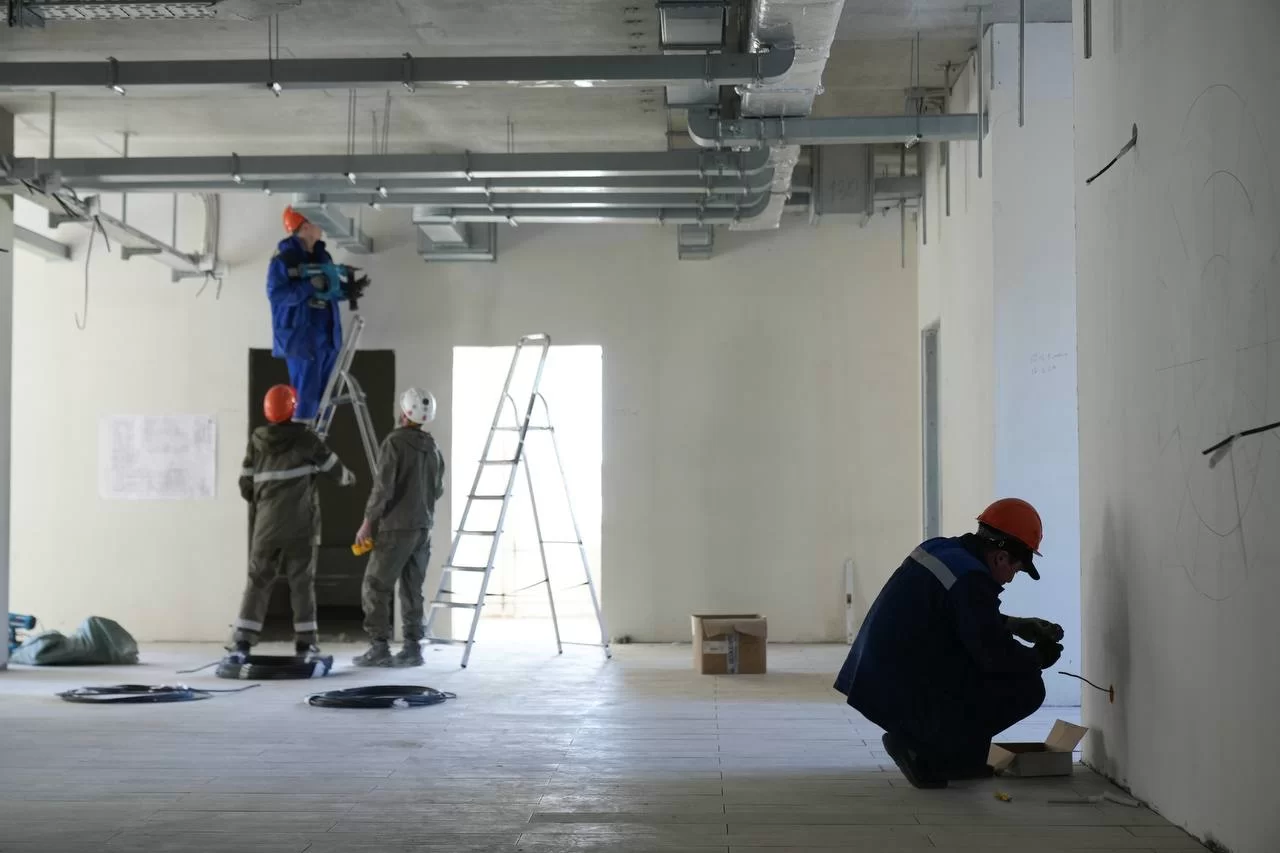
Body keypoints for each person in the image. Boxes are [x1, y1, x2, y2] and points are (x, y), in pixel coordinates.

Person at [833, 498, 1065, 789]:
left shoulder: (941, 549)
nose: (1010, 579)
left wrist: (1016, 624)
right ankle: (922, 748)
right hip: (903, 692)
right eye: (1016, 571)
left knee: (982, 668)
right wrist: (1038, 658)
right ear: (1001, 557)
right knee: (1026, 686)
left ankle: (954, 757)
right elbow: (993, 654)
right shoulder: (971, 579)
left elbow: (954, 615)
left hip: (878, 678)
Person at [227, 384, 356, 662]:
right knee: (301, 584)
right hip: (300, 527)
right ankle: (305, 644)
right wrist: (350, 478)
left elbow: (245, 485)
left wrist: (266, 506)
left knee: (258, 581)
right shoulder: (307, 439)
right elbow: (337, 472)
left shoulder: (256, 441)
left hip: (265, 528)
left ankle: (242, 643)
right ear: (293, 408)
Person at [351, 387, 446, 667]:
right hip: (423, 529)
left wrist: (367, 523)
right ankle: (413, 649)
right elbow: (438, 490)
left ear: (404, 412)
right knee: (412, 589)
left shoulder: (394, 443)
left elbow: (383, 488)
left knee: (375, 586)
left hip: (396, 528)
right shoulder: (433, 448)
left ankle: (379, 647)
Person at [267, 207, 342, 425]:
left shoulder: (323, 256)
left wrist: (346, 290)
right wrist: (308, 286)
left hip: (328, 338)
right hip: (302, 340)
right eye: (317, 221)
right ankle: (302, 440)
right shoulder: (284, 260)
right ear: (305, 226)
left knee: (326, 400)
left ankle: (318, 441)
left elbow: (330, 291)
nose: (321, 227)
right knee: (305, 398)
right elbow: (277, 295)